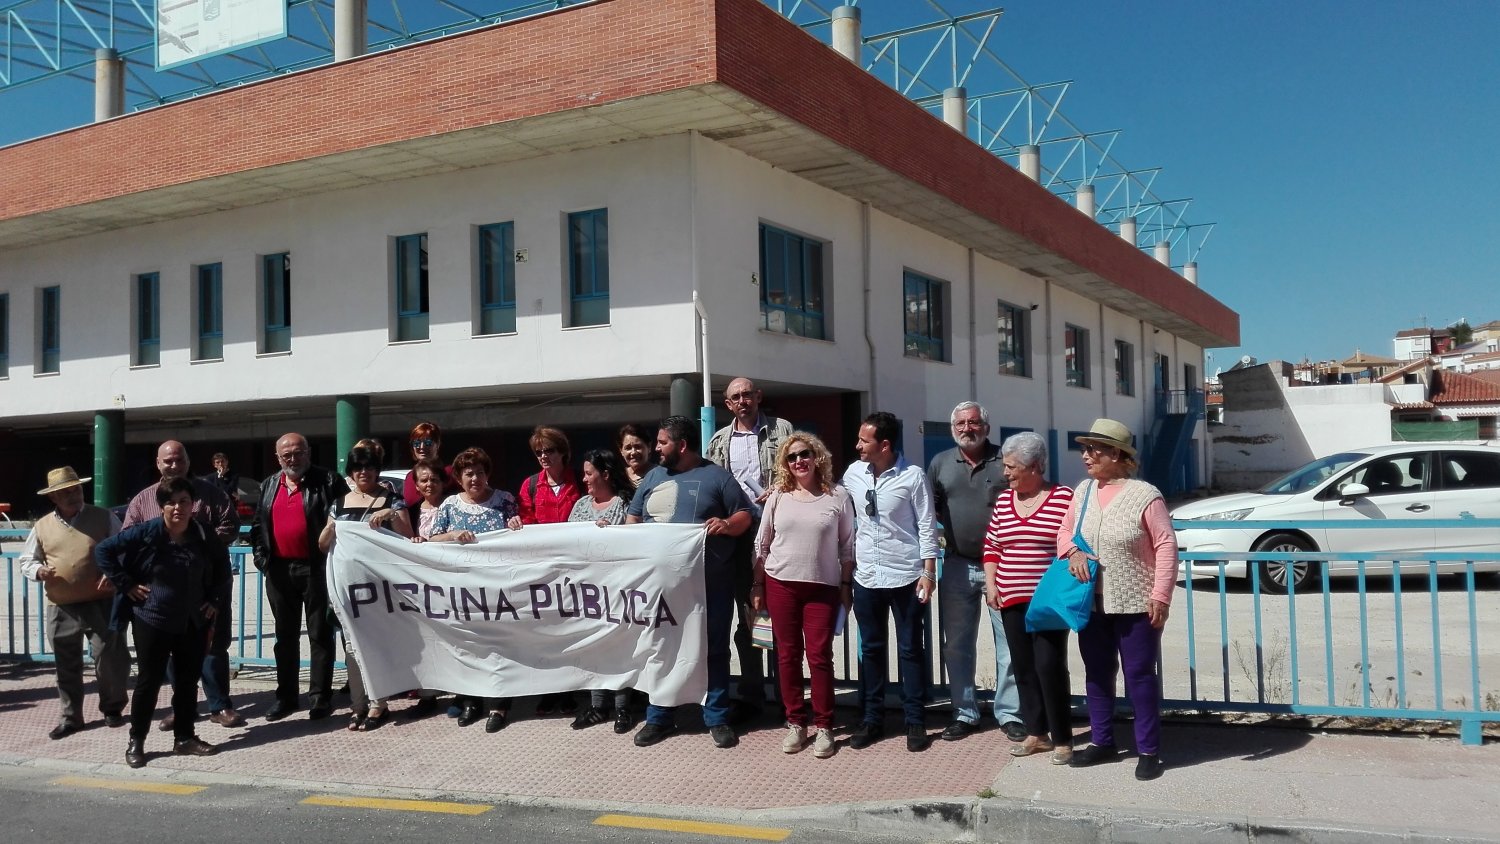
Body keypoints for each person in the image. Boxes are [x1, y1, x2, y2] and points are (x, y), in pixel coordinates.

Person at [1057, 418, 1178, 781]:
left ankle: (1149, 750)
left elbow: (1166, 544)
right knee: (1096, 673)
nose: (1086, 456)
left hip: (1137, 602)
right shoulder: (1083, 491)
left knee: (1139, 676)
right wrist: (1073, 553)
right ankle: (1103, 741)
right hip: (1090, 601)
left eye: (1094, 450)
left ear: (1117, 454)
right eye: (1085, 449)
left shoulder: (1145, 495)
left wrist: (1161, 595)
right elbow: (1065, 532)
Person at [626, 415, 752, 749]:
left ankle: (717, 716)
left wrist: (725, 524)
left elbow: (744, 515)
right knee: (662, 650)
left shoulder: (717, 477)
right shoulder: (653, 477)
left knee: (713, 649)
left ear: (681, 445)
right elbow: (633, 518)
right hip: (661, 588)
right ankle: (660, 718)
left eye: (662, 442)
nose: (656, 448)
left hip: (710, 585)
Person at [96, 477, 232, 769]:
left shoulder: (203, 534)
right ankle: (137, 741)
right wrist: (127, 584)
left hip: (192, 621)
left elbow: (222, 568)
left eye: (184, 501)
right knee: (148, 682)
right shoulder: (147, 532)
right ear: (162, 506)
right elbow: (103, 551)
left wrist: (214, 601)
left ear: (193, 504)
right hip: (153, 618)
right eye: (171, 502)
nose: (178, 507)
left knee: (186, 682)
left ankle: (185, 738)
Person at [122, 440, 242, 731]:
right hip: (164, 589)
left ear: (188, 461)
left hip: (207, 583)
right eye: (168, 461)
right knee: (171, 646)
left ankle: (219, 705)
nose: (174, 466)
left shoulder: (211, 493)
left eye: (179, 460)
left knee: (214, 643)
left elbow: (230, 525)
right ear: (158, 463)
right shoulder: (143, 500)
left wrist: (198, 539)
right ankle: (182, 708)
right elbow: (128, 536)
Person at [749, 432, 853, 759]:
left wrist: (846, 585)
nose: (799, 462)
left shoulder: (838, 496)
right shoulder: (779, 495)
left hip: (822, 587)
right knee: (787, 655)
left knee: (820, 656)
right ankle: (796, 721)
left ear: (817, 455)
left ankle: (824, 726)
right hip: (781, 583)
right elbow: (761, 544)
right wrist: (757, 585)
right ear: (785, 463)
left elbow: (848, 545)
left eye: (804, 454)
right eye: (791, 457)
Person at [926, 401, 1025, 742]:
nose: (967, 428)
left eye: (974, 422)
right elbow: (932, 510)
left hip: (1004, 566)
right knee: (957, 645)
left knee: (1009, 644)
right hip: (957, 564)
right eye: (961, 423)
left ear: (986, 424)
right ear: (953, 427)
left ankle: (1010, 713)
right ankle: (964, 712)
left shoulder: (1007, 460)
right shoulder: (940, 463)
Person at [842, 411, 938, 753]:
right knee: (871, 649)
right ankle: (871, 719)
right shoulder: (853, 474)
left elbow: (927, 526)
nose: (857, 446)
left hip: (906, 575)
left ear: (884, 444)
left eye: (863, 441)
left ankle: (915, 721)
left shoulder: (913, 477)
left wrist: (929, 572)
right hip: (867, 576)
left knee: (911, 649)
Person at [982, 432, 1076, 764]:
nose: (1005, 473)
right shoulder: (1005, 500)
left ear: (1034, 466)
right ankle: (1037, 733)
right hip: (1010, 597)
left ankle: (1063, 737)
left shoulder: (1064, 497)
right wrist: (992, 585)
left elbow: (1073, 543)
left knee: (1049, 665)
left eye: (1011, 467)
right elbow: (992, 546)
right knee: (1022, 667)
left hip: (1048, 601)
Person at [17, 466, 129, 739]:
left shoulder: (103, 517)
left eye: (76, 489)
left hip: (101, 602)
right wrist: (38, 571)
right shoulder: (42, 526)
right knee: (65, 664)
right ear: (53, 498)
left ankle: (112, 709)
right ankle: (71, 718)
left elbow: (123, 549)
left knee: (109, 659)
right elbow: (26, 560)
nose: (73, 496)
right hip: (61, 606)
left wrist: (113, 574)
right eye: (65, 493)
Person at [705, 377, 793, 722]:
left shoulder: (782, 429)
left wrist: (779, 489)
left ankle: (789, 700)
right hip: (738, 538)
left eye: (747, 394)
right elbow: (713, 485)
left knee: (784, 617)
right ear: (728, 405)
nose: (743, 401)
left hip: (778, 532)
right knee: (750, 618)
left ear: (758, 397)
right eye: (735, 397)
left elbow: (801, 466)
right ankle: (753, 695)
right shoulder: (718, 441)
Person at [248, 432, 348, 721]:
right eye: (287, 455)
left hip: (315, 568)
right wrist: (261, 559)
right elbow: (257, 526)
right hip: (278, 570)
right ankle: (287, 697)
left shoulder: (328, 481)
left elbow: (344, 520)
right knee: (285, 636)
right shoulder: (269, 484)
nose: (293, 459)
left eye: (298, 452)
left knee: (320, 634)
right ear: (277, 458)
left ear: (309, 452)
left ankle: (319, 697)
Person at [427, 446, 518, 732]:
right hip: (462, 591)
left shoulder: (504, 500)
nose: (475, 479)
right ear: (458, 477)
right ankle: (470, 701)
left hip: (498, 589)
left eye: (479, 473)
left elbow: (520, 535)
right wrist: (452, 535)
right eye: (468, 474)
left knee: (497, 646)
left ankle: (498, 703)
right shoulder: (450, 505)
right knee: (467, 645)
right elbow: (432, 539)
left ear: (487, 474)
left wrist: (517, 525)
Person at [319, 445, 407, 731]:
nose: (363, 473)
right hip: (349, 586)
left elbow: (408, 535)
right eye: (358, 468)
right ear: (351, 473)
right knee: (351, 646)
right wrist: (331, 529)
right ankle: (358, 705)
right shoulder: (339, 503)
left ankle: (379, 703)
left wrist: (389, 517)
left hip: (381, 588)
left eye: (369, 467)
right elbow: (323, 545)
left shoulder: (392, 500)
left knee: (376, 643)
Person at [510, 426, 585, 716]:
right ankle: (550, 690)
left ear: (563, 452)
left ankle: (572, 689)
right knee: (545, 631)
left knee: (573, 629)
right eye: (539, 451)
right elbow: (526, 521)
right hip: (542, 569)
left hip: (576, 567)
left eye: (549, 450)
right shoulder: (530, 485)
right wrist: (518, 523)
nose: (543, 456)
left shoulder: (579, 479)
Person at [566, 447, 638, 733]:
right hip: (588, 591)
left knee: (620, 647)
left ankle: (623, 708)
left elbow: (634, 541)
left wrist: (610, 534)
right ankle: (597, 706)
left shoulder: (624, 504)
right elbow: (568, 541)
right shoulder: (580, 505)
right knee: (594, 647)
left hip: (618, 590)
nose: (584, 479)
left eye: (588, 473)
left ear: (605, 474)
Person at [403, 421, 459, 507]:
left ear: (438, 444)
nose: (422, 447)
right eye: (417, 443)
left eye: (427, 443)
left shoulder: (451, 472)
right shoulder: (410, 476)